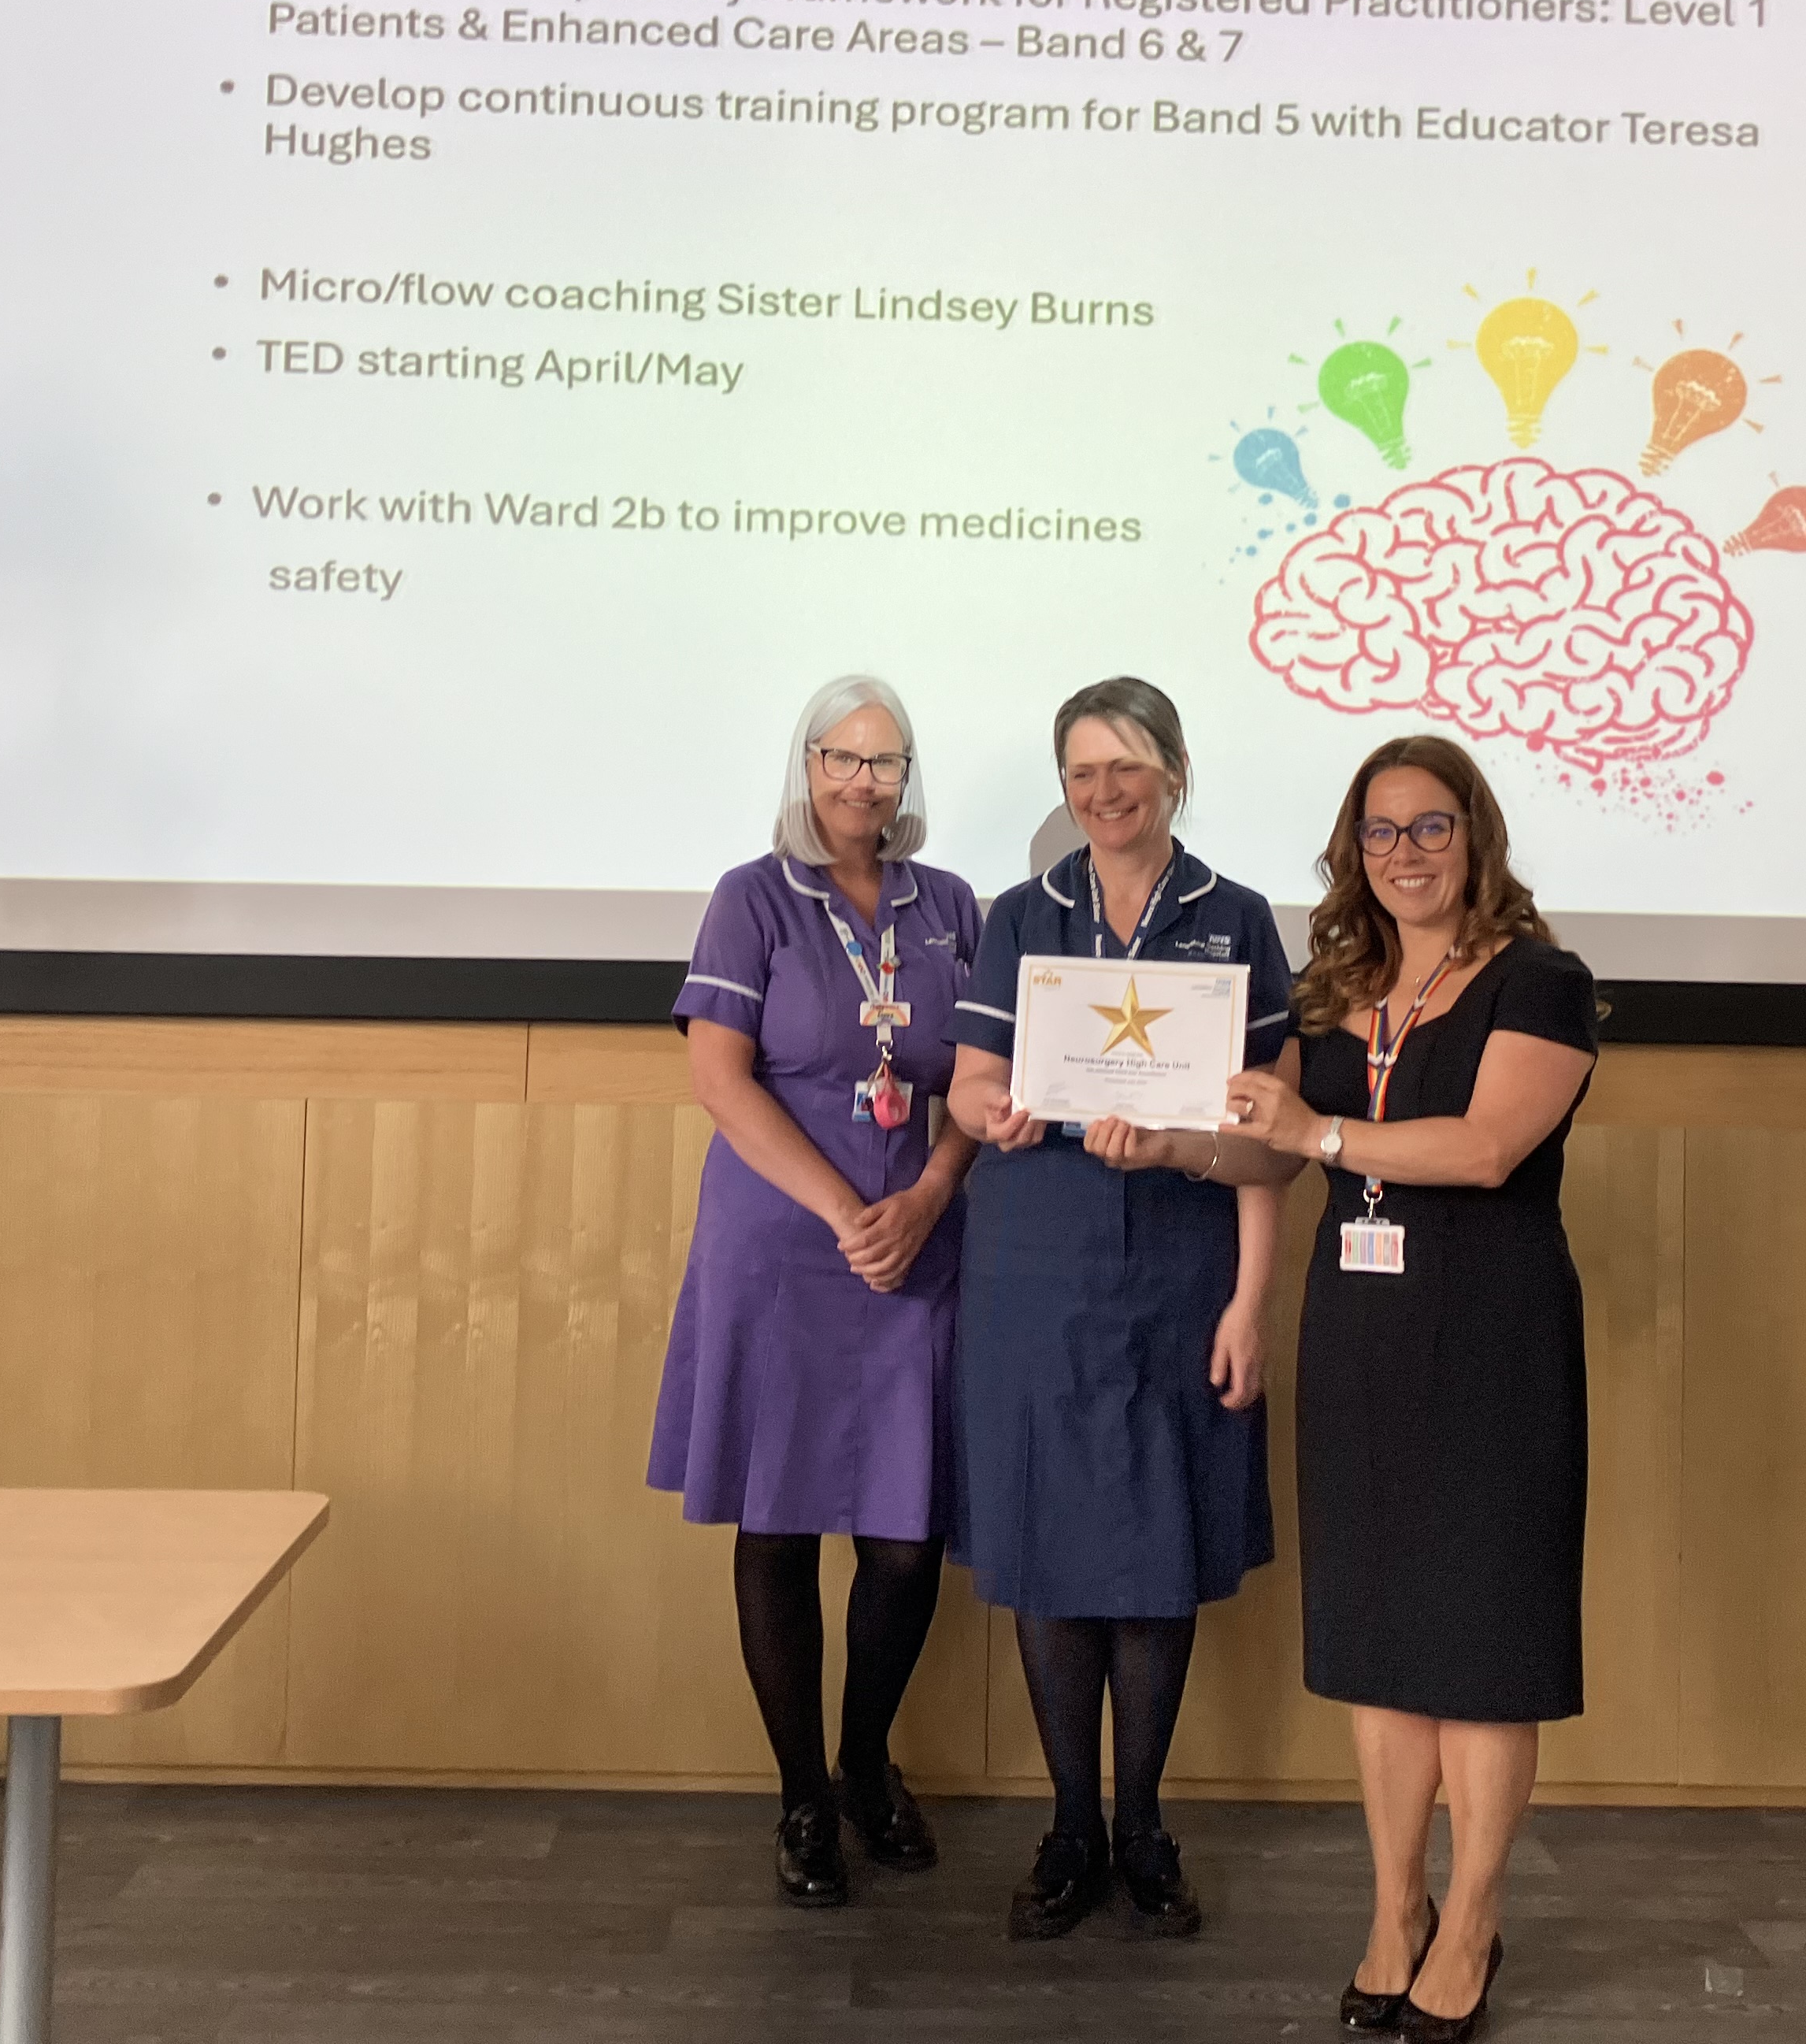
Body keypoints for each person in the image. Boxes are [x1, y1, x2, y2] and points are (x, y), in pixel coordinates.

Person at [1221, 736, 1598, 2042]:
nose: (1404, 855)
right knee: (1383, 1644)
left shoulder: (1543, 981)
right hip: (1364, 1339)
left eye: (1429, 829)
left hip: (1494, 1340)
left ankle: (1476, 1917)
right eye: (1379, 834)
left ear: (1476, 836)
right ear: (1352, 851)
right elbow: (1258, 1147)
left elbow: (1489, 1148)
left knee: (1482, 1650)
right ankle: (1395, 1910)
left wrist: (1316, 1133)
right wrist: (1155, 1133)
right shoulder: (1335, 992)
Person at [945, 677, 1303, 1941]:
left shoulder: (1242, 920)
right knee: (1046, 1546)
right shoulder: (1016, 916)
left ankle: (1144, 1824)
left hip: (1178, 1273)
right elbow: (972, 1085)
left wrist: (1250, 1303)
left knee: (1152, 1557)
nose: (1104, 793)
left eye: (1128, 768)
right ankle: (1070, 1828)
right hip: (1031, 1274)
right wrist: (991, 1111)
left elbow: (1273, 1147)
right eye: (1082, 771)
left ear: (1176, 771)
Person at [647, 677, 986, 1908]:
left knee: (906, 1538)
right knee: (780, 1524)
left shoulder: (951, 907)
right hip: (784, 1248)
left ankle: (862, 1763)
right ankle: (801, 1797)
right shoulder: (753, 899)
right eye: (841, 759)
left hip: (916, 1243)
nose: (864, 782)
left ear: (909, 779)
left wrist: (935, 1188)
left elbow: (983, 1083)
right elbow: (723, 1084)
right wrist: (846, 1211)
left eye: (886, 762)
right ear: (806, 767)